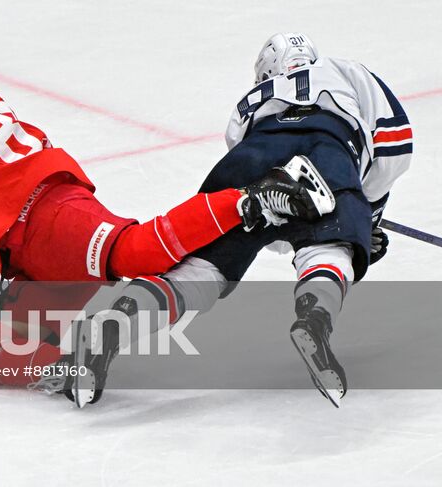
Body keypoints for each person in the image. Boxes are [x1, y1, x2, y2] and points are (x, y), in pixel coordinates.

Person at [0, 21, 334, 287]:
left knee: (134, 254)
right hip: (41, 210)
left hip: (46, 217)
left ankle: (257, 199)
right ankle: (72, 349)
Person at [67, 33, 412, 406]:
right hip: (325, 145)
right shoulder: (345, 70)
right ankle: (314, 319)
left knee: (201, 272)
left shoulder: (249, 104)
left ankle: (110, 327)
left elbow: (267, 222)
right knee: (327, 248)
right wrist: (363, 216)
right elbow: (394, 140)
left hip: (250, 156)